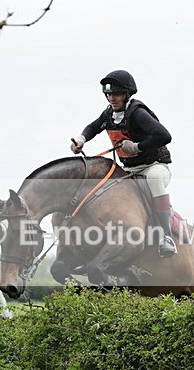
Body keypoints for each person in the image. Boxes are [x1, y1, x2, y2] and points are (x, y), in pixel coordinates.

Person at [71, 70, 177, 257]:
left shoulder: (138, 113)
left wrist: (137, 147)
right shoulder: (109, 114)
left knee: (152, 178)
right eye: (109, 94)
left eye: (116, 94)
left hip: (155, 166)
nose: (112, 98)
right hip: (129, 170)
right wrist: (81, 140)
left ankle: (166, 237)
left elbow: (165, 136)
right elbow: (93, 128)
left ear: (127, 94)